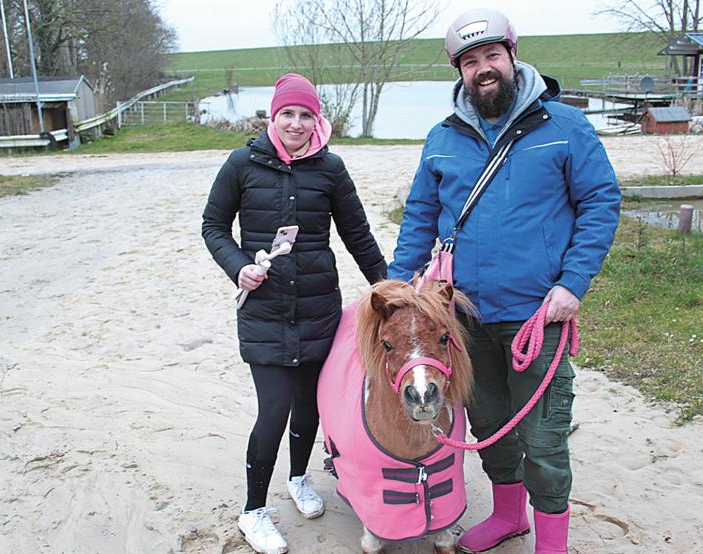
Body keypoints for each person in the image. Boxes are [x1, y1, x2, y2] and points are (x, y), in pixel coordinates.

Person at [387, 9, 621, 554]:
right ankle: (510, 516)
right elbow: (420, 217)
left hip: (538, 315)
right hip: (463, 319)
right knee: (489, 424)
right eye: (470, 61)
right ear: (460, 72)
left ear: (513, 57)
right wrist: (397, 294)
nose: (483, 68)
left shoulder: (564, 127)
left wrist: (574, 281)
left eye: (492, 55)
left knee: (542, 439)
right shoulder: (442, 139)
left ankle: (552, 543)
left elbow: (601, 202)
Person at [202, 73, 387, 554]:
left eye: (307, 115)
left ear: (317, 119)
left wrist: (391, 293)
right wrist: (238, 266)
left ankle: (300, 477)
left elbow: (358, 237)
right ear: (273, 115)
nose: (297, 124)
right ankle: (253, 511)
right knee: (275, 411)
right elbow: (213, 226)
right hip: (264, 313)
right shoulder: (242, 164)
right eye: (289, 113)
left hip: (318, 310)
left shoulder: (331, 169)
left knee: (310, 407)